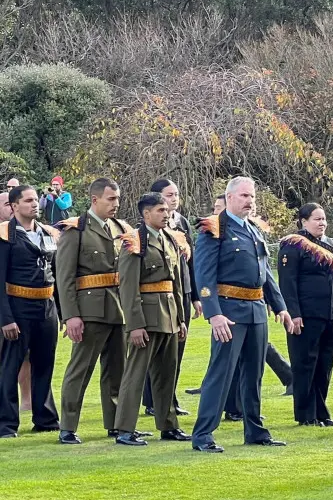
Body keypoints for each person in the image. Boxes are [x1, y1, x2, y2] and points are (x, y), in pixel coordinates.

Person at [190, 177, 293, 453]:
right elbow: (204, 274)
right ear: (230, 197)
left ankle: (255, 431)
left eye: (253, 197)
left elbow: (266, 273)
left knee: (254, 374)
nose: (250, 201)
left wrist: (280, 306)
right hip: (229, 311)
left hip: (256, 310)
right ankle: (203, 435)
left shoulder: (254, 230)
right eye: (245, 196)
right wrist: (214, 314)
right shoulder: (214, 229)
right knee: (220, 373)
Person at [55, 178, 131, 444]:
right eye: (111, 199)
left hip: (117, 308)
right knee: (81, 368)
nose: (116, 204)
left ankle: (115, 424)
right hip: (88, 310)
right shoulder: (76, 230)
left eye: (117, 199)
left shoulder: (121, 228)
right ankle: (68, 426)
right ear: (95, 199)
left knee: (117, 369)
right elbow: (64, 278)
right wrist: (71, 315)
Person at [113, 193, 190, 444]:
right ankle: (125, 429)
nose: (166, 214)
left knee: (167, 374)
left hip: (168, 315)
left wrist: (180, 319)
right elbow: (128, 287)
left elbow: (175, 283)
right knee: (135, 374)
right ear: (146, 214)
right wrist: (135, 325)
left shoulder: (170, 239)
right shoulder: (135, 242)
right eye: (160, 210)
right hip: (146, 316)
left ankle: (168, 425)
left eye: (167, 210)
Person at [280, 203, 333, 427]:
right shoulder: (293, 245)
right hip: (306, 314)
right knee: (305, 364)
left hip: (331, 314)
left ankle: (321, 409)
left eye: (323, 219)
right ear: (303, 221)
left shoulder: (331, 245)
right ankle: (305, 413)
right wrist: (294, 313)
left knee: (325, 364)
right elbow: (287, 282)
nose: (322, 223)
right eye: (316, 219)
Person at [0, 185, 61, 437]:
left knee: (44, 363)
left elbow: (57, 275)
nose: (34, 204)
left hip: (46, 306)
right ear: (14, 206)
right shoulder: (5, 235)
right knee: (10, 366)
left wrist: (64, 313)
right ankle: (6, 423)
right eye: (28, 201)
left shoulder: (48, 233)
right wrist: (6, 318)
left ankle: (45, 418)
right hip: (17, 306)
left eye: (36, 200)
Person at [143, 179, 200, 419]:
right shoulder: (147, 229)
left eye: (176, 193)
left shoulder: (182, 223)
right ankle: (152, 400)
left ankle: (169, 398)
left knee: (177, 348)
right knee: (156, 351)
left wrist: (196, 296)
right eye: (169, 194)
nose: (174, 198)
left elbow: (190, 262)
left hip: (182, 291)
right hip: (158, 295)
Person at [184, 193, 227, 397]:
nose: (215, 212)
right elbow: (202, 272)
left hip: (248, 303)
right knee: (222, 354)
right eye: (215, 207)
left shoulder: (248, 229)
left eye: (220, 208)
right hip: (222, 302)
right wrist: (208, 306)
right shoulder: (209, 231)